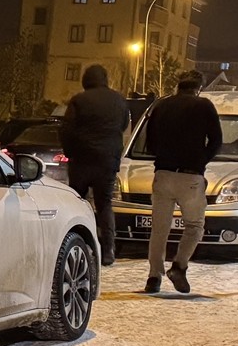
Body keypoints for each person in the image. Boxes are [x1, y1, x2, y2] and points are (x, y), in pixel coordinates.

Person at [141, 70, 223, 294]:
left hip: (163, 174)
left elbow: (150, 142)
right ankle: (179, 266)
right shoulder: (204, 106)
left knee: (159, 229)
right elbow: (217, 140)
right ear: (199, 88)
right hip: (190, 176)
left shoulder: (161, 106)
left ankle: (153, 278)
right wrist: (200, 161)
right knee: (195, 226)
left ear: (178, 86)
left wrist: (165, 157)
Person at [59, 64, 130, 266]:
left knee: (76, 202)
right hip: (107, 161)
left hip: (82, 160)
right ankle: (108, 249)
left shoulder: (79, 101)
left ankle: (77, 242)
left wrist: (70, 152)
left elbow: (67, 130)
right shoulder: (118, 100)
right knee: (104, 204)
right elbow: (123, 125)